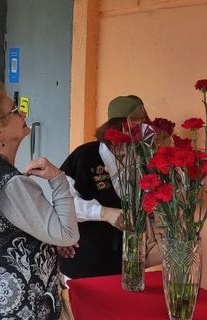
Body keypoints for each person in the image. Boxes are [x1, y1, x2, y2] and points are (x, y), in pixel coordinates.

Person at [0, 81, 79, 320]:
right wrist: (58, 179)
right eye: (15, 110)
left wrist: (46, 241)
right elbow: (68, 233)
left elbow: (2, 233)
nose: (23, 114)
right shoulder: (12, 184)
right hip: (18, 308)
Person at [58, 95, 150, 279]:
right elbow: (64, 204)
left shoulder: (141, 158)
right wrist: (103, 213)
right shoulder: (84, 156)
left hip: (124, 261)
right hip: (84, 260)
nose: (138, 135)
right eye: (133, 128)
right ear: (115, 128)